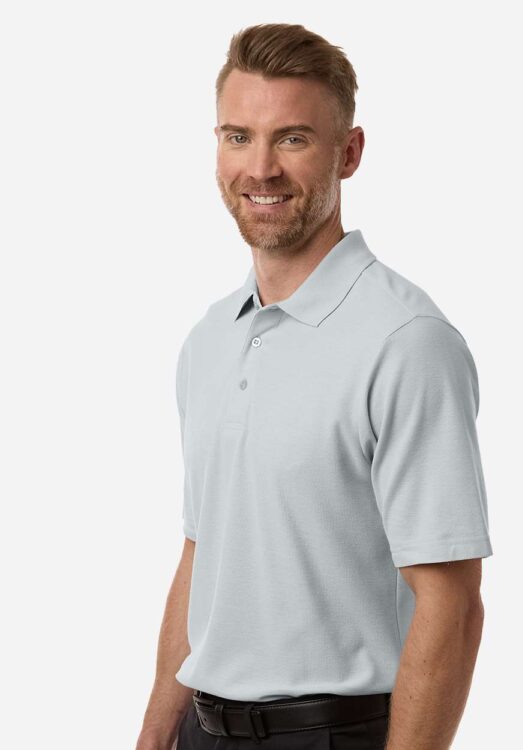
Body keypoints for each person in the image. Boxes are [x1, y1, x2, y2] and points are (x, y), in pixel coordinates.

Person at [136, 22, 493, 750]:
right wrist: (152, 736)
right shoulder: (210, 339)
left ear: (349, 153)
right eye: (238, 137)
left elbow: (451, 605)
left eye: (292, 139)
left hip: (333, 734)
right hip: (202, 729)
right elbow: (202, 553)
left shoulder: (406, 341)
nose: (260, 168)